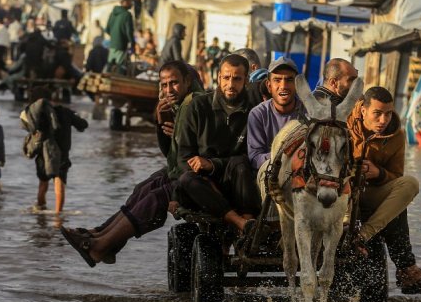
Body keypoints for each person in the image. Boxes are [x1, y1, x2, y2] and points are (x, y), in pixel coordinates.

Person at [59, 61, 203, 266]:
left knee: (155, 197)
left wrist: (179, 137)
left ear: (188, 82)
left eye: (174, 83)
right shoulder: (181, 106)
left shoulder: (193, 105)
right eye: (165, 85)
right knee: (145, 187)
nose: (169, 90)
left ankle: (101, 245)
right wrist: (161, 124)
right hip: (184, 170)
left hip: (196, 176)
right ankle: (101, 235)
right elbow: (171, 155)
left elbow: (196, 154)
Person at [346, 85, 421, 295]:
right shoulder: (343, 126)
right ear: (363, 110)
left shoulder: (396, 136)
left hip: (370, 194)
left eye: (388, 114)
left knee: (409, 184)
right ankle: (407, 269)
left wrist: (378, 173)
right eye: (377, 113)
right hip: (342, 195)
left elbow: (396, 176)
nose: (383, 120)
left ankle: (363, 236)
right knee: (397, 213)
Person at [176, 54, 261, 235]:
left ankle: (248, 223)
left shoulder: (254, 110)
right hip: (205, 185)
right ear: (219, 77)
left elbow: (252, 156)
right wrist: (206, 172)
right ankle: (241, 223)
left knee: (241, 163)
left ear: (246, 80)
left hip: (238, 182)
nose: (231, 84)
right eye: (226, 78)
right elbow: (184, 157)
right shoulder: (198, 106)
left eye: (237, 79)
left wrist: (214, 164)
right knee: (186, 179)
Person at [21, 87, 88, 214]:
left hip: (42, 154)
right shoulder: (65, 112)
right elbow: (82, 124)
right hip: (62, 154)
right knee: (59, 182)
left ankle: (40, 209)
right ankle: (58, 215)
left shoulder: (36, 116)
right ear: (51, 98)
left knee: (43, 183)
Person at [247, 57, 304, 172]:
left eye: (289, 80)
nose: (283, 86)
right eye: (277, 80)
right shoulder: (258, 114)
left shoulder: (308, 113)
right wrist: (285, 155)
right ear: (269, 86)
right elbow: (255, 158)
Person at [105, 0, 134, 73]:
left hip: (112, 45)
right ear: (124, 2)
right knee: (120, 68)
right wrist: (132, 44)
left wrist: (115, 37)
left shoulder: (112, 14)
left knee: (110, 66)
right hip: (121, 46)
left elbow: (107, 29)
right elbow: (129, 32)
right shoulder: (127, 15)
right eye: (129, 1)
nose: (131, 3)